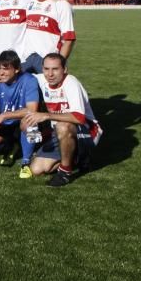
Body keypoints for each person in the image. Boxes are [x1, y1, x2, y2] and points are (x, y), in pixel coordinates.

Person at [22, 53, 103, 187]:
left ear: (64, 69)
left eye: (55, 69)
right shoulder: (40, 79)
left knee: (63, 126)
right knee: (37, 169)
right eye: (46, 69)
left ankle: (65, 172)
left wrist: (46, 115)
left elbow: (78, 117)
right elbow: (15, 75)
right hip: (59, 131)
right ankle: (76, 158)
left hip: (87, 131)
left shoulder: (71, 82)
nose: (50, 74)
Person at [0, 50, 41, 177]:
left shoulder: (29, 80)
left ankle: (26, 161)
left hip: (28, 120)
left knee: (30, 123)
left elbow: (32, 110)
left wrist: (3, 115)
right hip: (9, 124)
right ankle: (14, 143)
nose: (1, 72)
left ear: (17, 69)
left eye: (6, 69)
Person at [19, 0, 76, 74]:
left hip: (47, 62)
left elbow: (69, 39)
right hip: (25, 60)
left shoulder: (62, 4)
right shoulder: (29, 1)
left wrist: (59, 65)